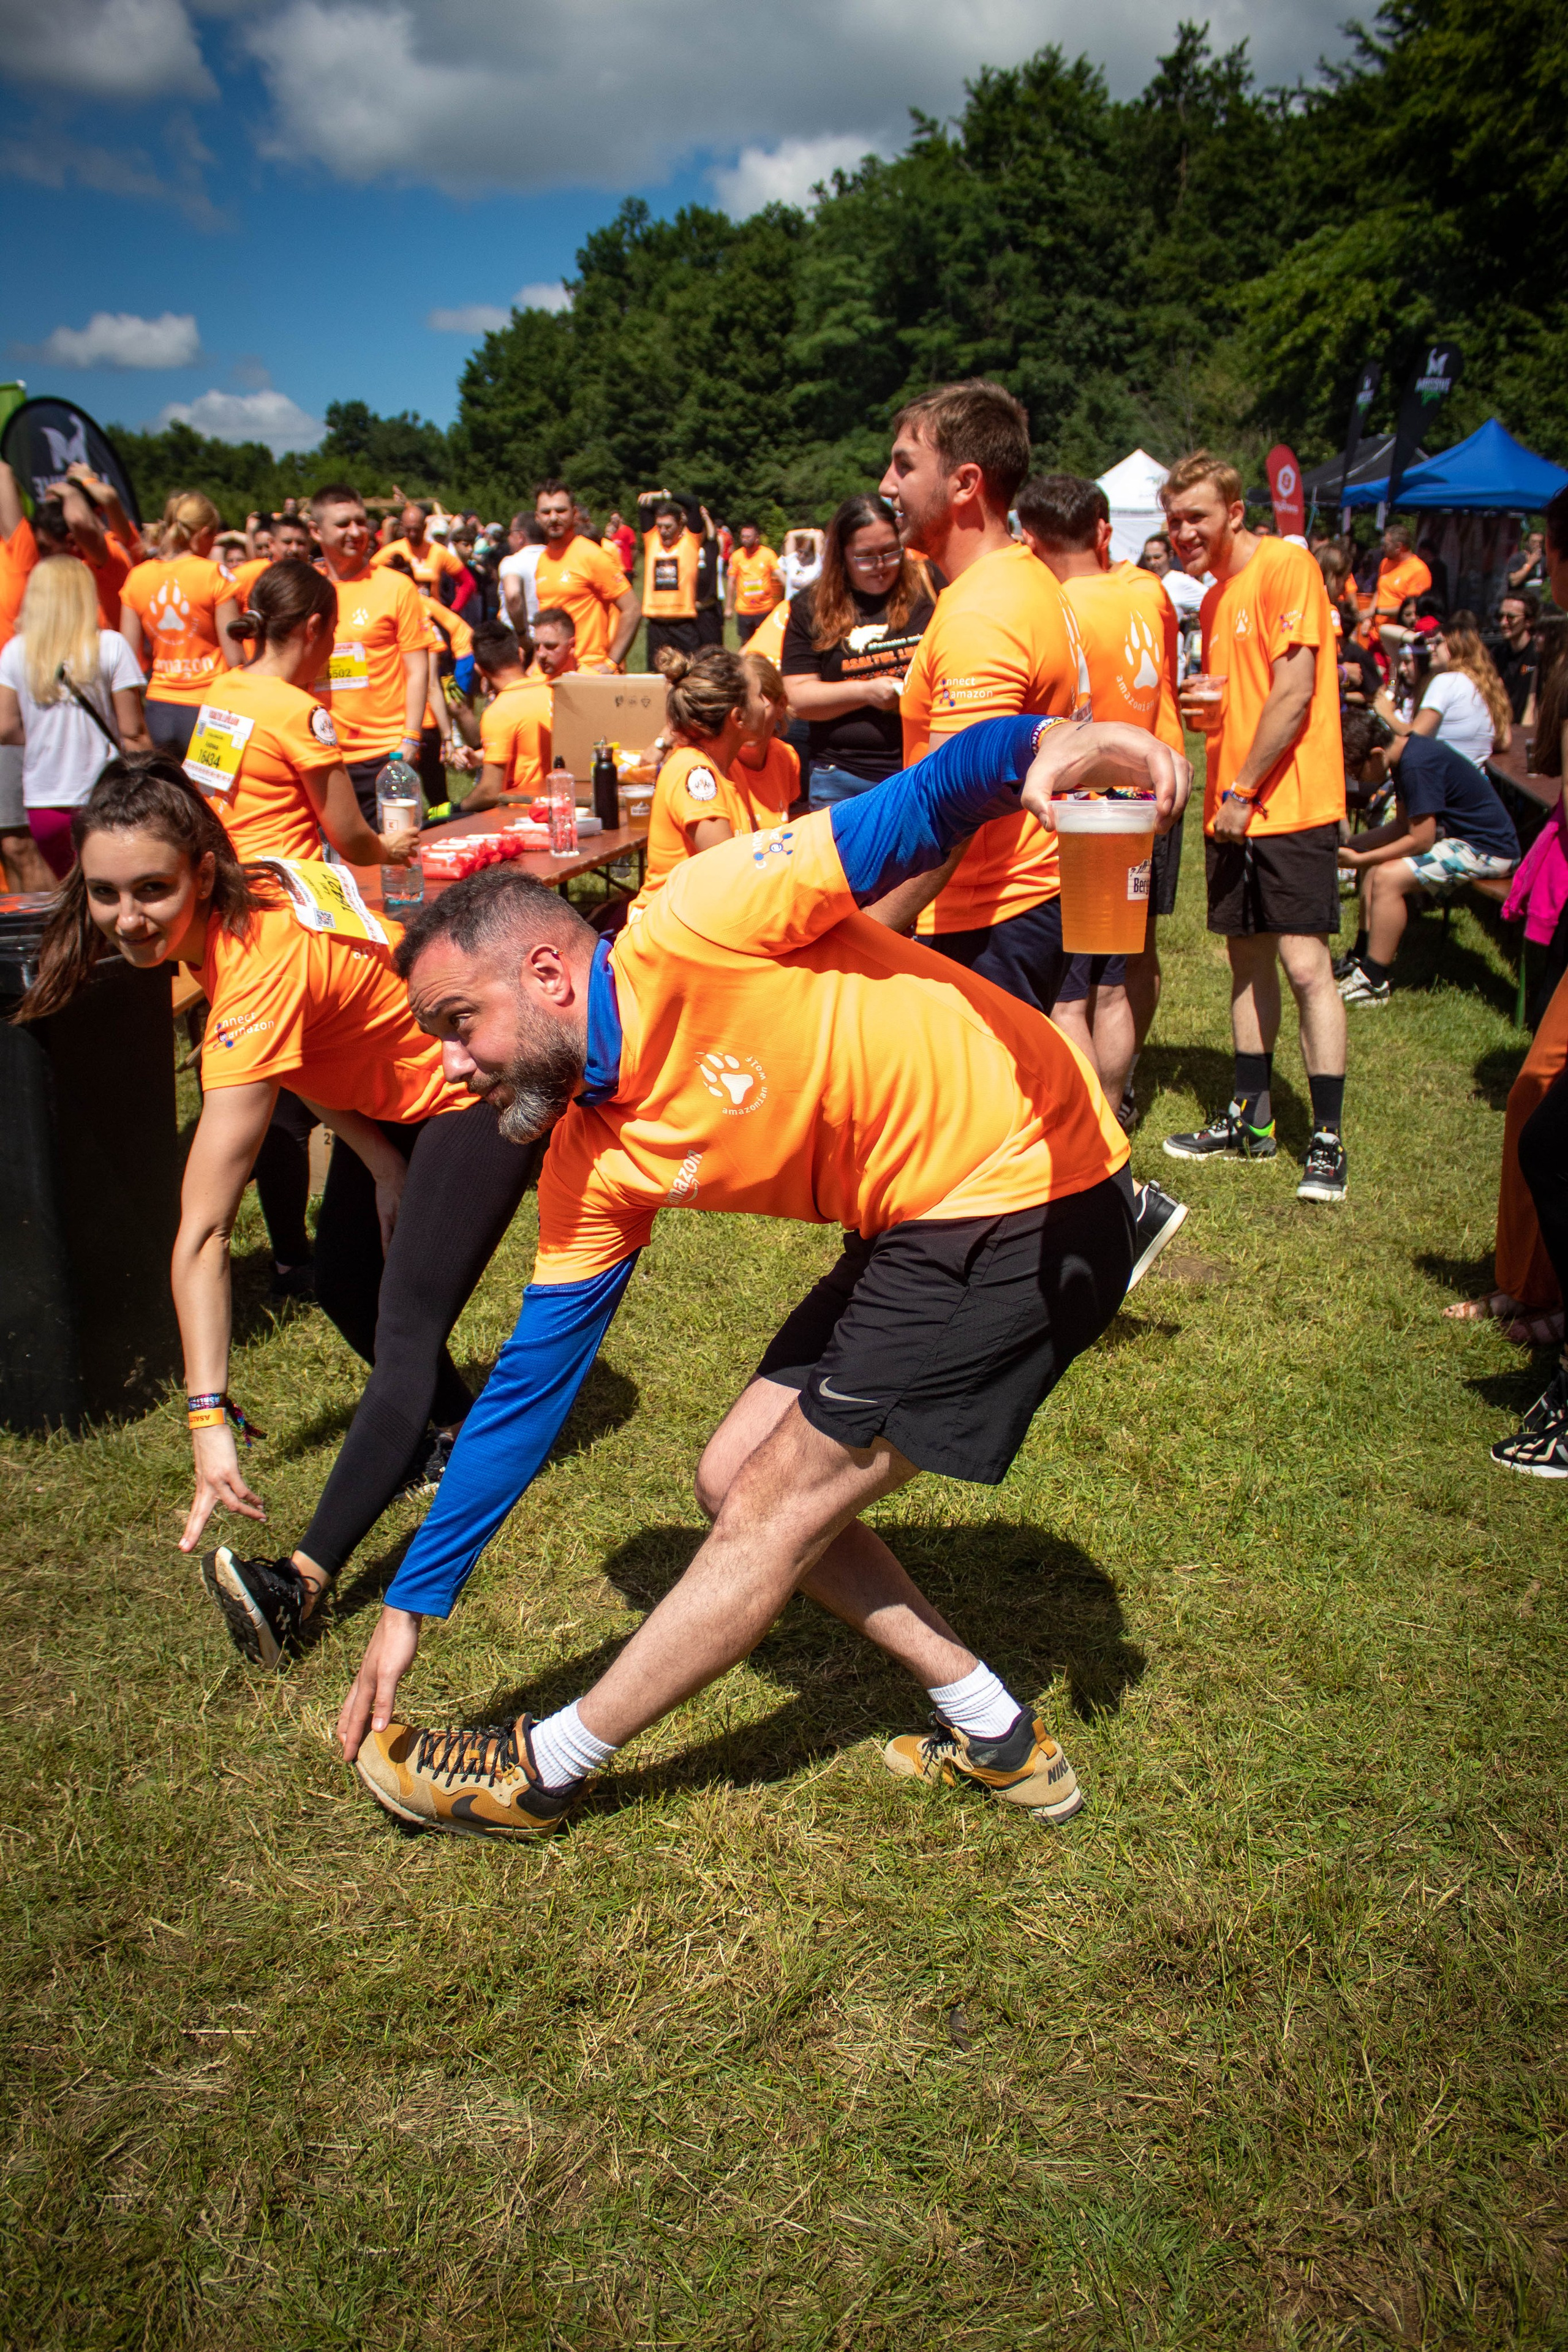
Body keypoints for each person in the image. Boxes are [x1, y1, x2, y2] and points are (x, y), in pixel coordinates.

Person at [331, 707, 1188, 1838]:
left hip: (1031, 1188)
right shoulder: (590, 1157)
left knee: (771, 1512)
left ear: (544, 972)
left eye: (458, 1024)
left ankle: (542, 1771)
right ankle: (996, 1732)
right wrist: (410, 1601)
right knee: (739, 1477)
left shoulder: (699, 917)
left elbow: (923, 803)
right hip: (919, 1216)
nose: (450, 1068)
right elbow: (527, 1393)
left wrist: (1048, 745)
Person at [18, 758, 542, 1660]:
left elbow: (206, 1233)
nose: (127, 917)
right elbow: (314, 1032)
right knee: (344, 1281)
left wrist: (207, 1415)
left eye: (152, 889)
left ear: (202, 874)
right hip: (392, 1103)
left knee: (405, 1329)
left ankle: (298, 1583)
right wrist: (376, 1157)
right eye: (104, 893)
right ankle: (460, 1434)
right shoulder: (240, 900)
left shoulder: (254, 975)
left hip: (474, 1091)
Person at [184, 559, 423, 1296]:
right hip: (287, 916)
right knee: (322, 1060)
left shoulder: (222, 691)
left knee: (275, 1084)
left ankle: (292, 1245)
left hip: (221, 910)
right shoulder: (299, 711)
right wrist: (394, 848)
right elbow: (348, 835)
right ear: (316, 626)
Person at [1159, 450, 1350, 1205]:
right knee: (1246, 963)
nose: (1183, 533)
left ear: (1235, 512)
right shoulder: (1212, 601)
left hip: (1285, 802)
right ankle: (1252, 1120)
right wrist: (1207, 710)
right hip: (1232, 810)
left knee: (1306, 968)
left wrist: (1240, 787)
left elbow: (1296, 692)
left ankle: (1327, 1140)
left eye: (1197, 517)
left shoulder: (1285, 568)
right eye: (1174, 520)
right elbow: (1245, 694)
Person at [1020, 472, 1186, 1129]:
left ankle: (1079, 1134)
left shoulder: (1056, 610)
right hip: (1141, 802)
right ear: (1102, 530)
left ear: (1028, 540)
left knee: (1068, 994)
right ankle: (1115, 1114)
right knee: (1116, 977)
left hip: (1076, 814)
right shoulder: (1141, 596)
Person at [1334, 706, 1518, 1004]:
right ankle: (1362, 957)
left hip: (1488, 850)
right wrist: (1355, 845)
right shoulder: (1405, 755)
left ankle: (1374, 981)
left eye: (1355, 771)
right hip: (1462, 841)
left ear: (1377, 754)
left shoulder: (1416, 765)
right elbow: (1400, 827)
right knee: (1375, 865)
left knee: (1386, 877)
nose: (1356, 779)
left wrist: (1358, 860)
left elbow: (1420, 840)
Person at [0, 554, 153, 876]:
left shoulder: (16, 651)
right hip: (104, 795)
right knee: (107, 891)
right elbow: (133, 732)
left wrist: (45, 736)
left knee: (68, 894)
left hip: (44, 802)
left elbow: (5, 728)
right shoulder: (111, 647)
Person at [780, 494, 934, 810]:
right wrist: (866, 692)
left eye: (891, 552)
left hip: (922, 769)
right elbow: (797, 697)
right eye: (865, 557)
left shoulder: (928, 586)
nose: (880, 567)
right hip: (844, 779)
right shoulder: (811, 606)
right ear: (842, 556)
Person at [309, 484, 429, 826]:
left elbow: (418, 669)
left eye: (361, 522)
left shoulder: (395, 586)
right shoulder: (306, 590)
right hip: (323, 753)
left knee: (397, 860)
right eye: (343, 524)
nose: (356, 532)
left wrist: (411, 739)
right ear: (316, 531)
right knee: (336, 867)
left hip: (385, 753)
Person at [631, 648, 782, 903]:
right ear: (739, 717)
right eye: (759, 695)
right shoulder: (695, 774)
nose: (767, 704)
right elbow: (728, 873)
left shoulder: (729, 768)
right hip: (672, 932)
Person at [119, 493, 239, 758]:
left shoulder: (137, 577)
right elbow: (234, 657)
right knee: (214, 796)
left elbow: (128, 655)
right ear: (204, 533)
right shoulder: (215, 574)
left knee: (171, 795)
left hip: (159, 705)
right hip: (210, 705)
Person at [533, 481, 640, 674]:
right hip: (552, 672)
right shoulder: (542, 560)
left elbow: (632, 608)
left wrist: (611, 663)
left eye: (561, 511)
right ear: (537, 517)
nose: (554, 518)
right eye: (546, 512)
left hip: (587, 669)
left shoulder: (591, 554)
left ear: (574, 515)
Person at [1387, 622, 1512, 767]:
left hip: (1443, 782)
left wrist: (1386, 712)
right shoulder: (1485, 685)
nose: (1430, 647)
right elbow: (1504, 742)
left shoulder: (1446, 681)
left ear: (1456, 646)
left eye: (1438, 642)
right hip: (1472, 780)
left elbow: (1414, 739)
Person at [464, 622, 553, 812]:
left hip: (526, 813)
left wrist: (459, 807)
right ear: (520, 654)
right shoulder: (553, 687)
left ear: (480, 670)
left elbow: (490, 792)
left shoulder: (499, 712)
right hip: (564, 803)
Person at [636, 492, 712, 668]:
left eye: (668, 527)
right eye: (660, 526)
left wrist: (662, 494)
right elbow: (644, 505)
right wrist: (652, 498)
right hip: (656, 624)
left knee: (690, 673)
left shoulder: (691, 541)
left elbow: (693, 502)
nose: (663, 532)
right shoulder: (652, 540)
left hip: (683, 623)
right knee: (656, 676)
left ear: (680, 524)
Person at [371, 502, 465, 602]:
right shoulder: (391, 551)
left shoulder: (438, 551)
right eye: (408, 530)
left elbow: (468, 583)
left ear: (425, 527)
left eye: (417, 530)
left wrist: (453, 610)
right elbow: (367, 578)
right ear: (402, 527)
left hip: (430, 615)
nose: (413, 534)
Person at [1370, 522, 1432, 669]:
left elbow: (1410, 609)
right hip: (1376, 635)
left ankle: (1393, 689)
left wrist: (1377, 611)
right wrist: (1369, 616)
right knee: (1376, 675)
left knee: (1394, 676)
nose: (1382, 548)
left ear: (1399, 547)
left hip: (1397, 636)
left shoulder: (1419, 570)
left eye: (1385, 544)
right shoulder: (1385, 563)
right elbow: (1379, 590)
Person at [726, 524, 783, 643]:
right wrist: (728, 607)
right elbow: (731, 582)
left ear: (757, 538)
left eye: (748, 537)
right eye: (743, 537)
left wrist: (792, 588)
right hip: (744, 609)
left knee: (765, 641)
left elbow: (780, 574)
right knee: (746, 643)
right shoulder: (737, 556)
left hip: (764, 608)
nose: (745, 539)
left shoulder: (768, 554)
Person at [1490, 592, 1540, 725]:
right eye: (1500, 616)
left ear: (1529, 621)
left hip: (1528, 727)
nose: (1503, 623)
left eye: (1511, 617)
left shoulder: (1537, 655)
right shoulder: (1497, 654)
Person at [499, 514, 546, 640]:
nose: (508, 538)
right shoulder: (555, 559)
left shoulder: (513, 562)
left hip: (519, 640)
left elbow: (513, 597)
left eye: (510, 533)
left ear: (520, 537)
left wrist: (522, 635)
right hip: (549, 637)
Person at [1141, 530, 1204, 620]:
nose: (1152, 563)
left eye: (1157, 557)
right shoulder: (1142, 582)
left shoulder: (1180, 581)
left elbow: (1213, 601)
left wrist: (1189, 619)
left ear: (1170, 555)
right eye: (1148, 558)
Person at [529, 608, 577, 684]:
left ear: (571, 646)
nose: (541, 654)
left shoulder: (592, 683)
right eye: (537, 646)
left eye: (550, 646)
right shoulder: (530, 684)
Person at [778, 529, 824, 600]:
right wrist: (809, 531)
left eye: (807, 554)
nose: (802, 556)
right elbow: (791, 535)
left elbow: (819, 536)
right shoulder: (792, 562)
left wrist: (815, 534)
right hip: (789, 607)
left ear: (813, 555)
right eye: (800, 552)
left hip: (807, 609)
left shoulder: (818, 565)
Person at [1508, 531, 1547, 595]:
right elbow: (1514, 582)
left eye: (1540, 542)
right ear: (1527, 543)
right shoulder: (1518, 558)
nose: (1538, 545)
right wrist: (1531, 563)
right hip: (1523, 595)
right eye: (1534, 542)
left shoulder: (1544, 559)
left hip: (1540, 597)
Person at [603, 509, 635, 579]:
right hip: (616, 569)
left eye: (615, 518)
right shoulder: (613, 534)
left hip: (627, 568)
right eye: (612, 519)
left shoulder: (628, 530)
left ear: (621, 519)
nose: (614, 520)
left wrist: (632, 565)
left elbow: (634, 549)